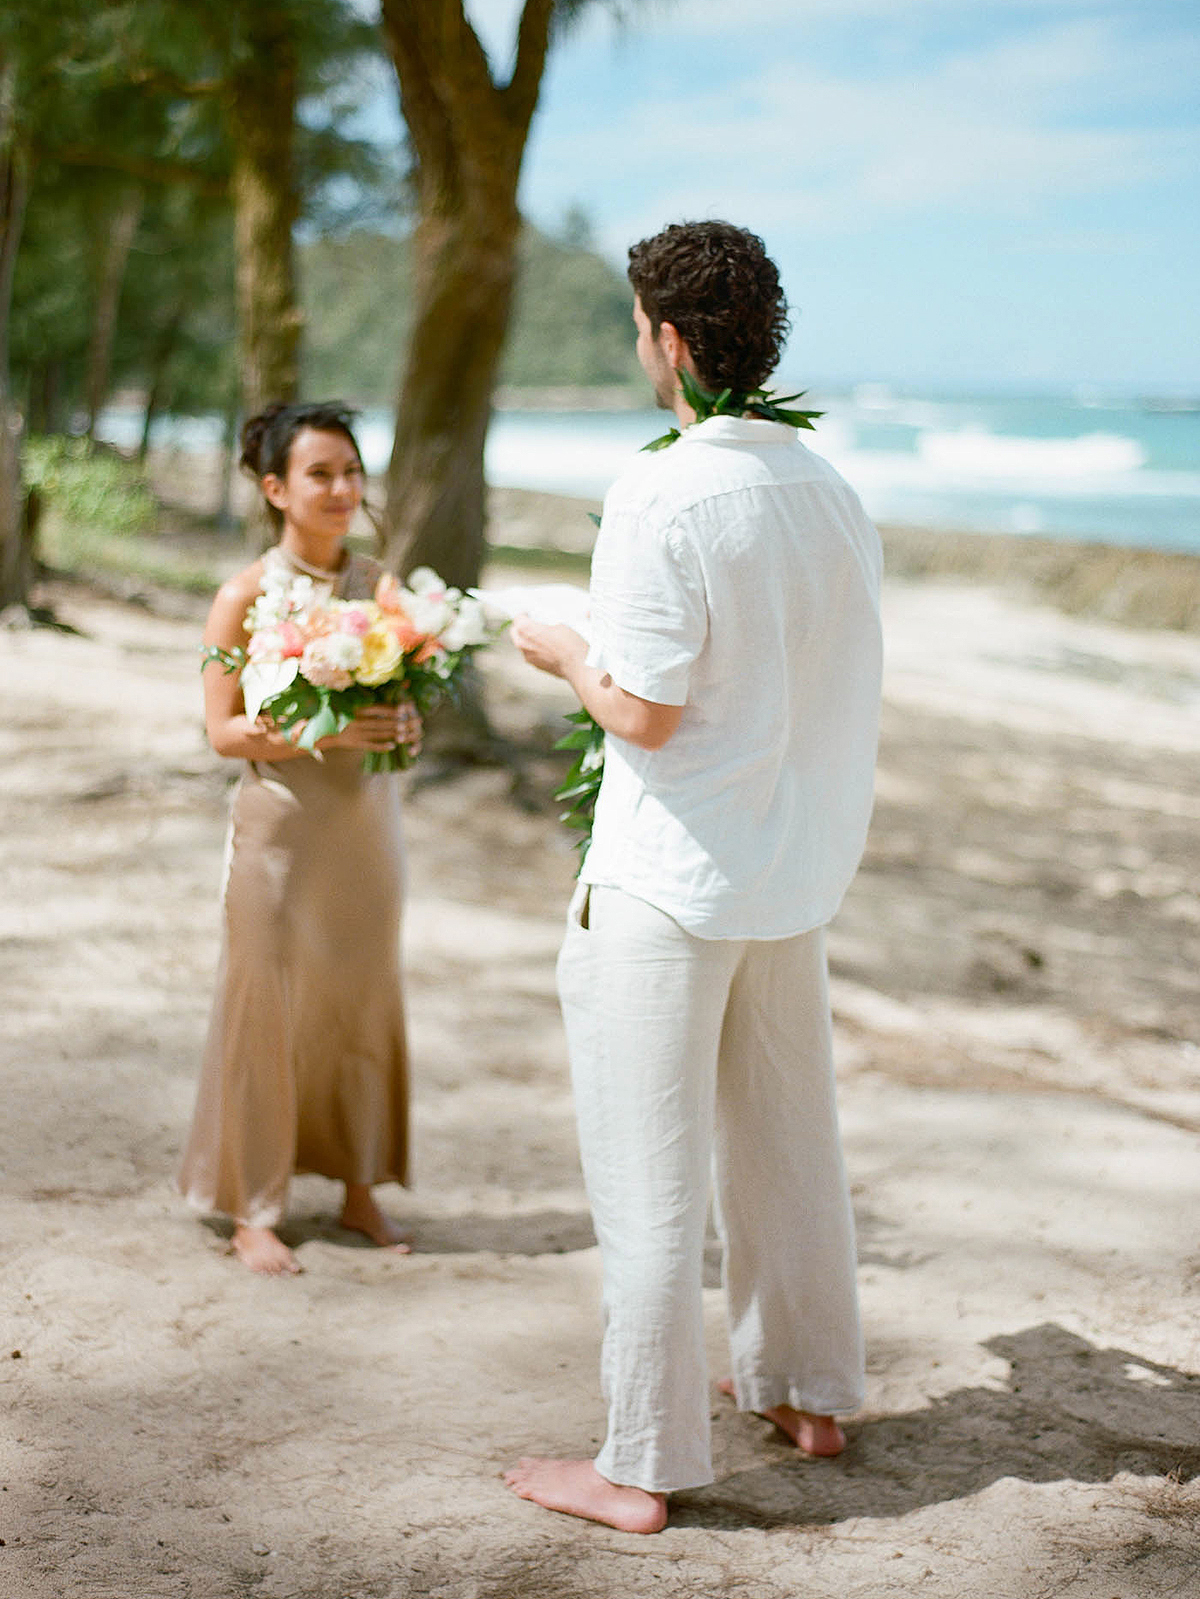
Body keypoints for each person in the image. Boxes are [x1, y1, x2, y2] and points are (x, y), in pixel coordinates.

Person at [505, 222, 883, 1532]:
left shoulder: (664, 490)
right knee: (791, 1139)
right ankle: (809, 1388)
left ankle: (639, 1461)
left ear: (669, 340)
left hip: (673, 875)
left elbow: (647, 710)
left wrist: (560, 648)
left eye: (635, 326)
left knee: (648, 1164)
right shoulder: (832, 489)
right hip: (791, 866)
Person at [178, 402, 418, 1276]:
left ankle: (360, 1184)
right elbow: (223, 732)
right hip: (281, 832)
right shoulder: (241, 596)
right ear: (276, 487)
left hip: (366, 833)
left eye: (352, 472)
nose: (343, 489)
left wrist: (401, 728)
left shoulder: (379, 589)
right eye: (321, 474)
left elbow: (405, 713)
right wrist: (326, 733)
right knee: (266, 1000)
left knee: (360, 996)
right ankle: (255, 1204)